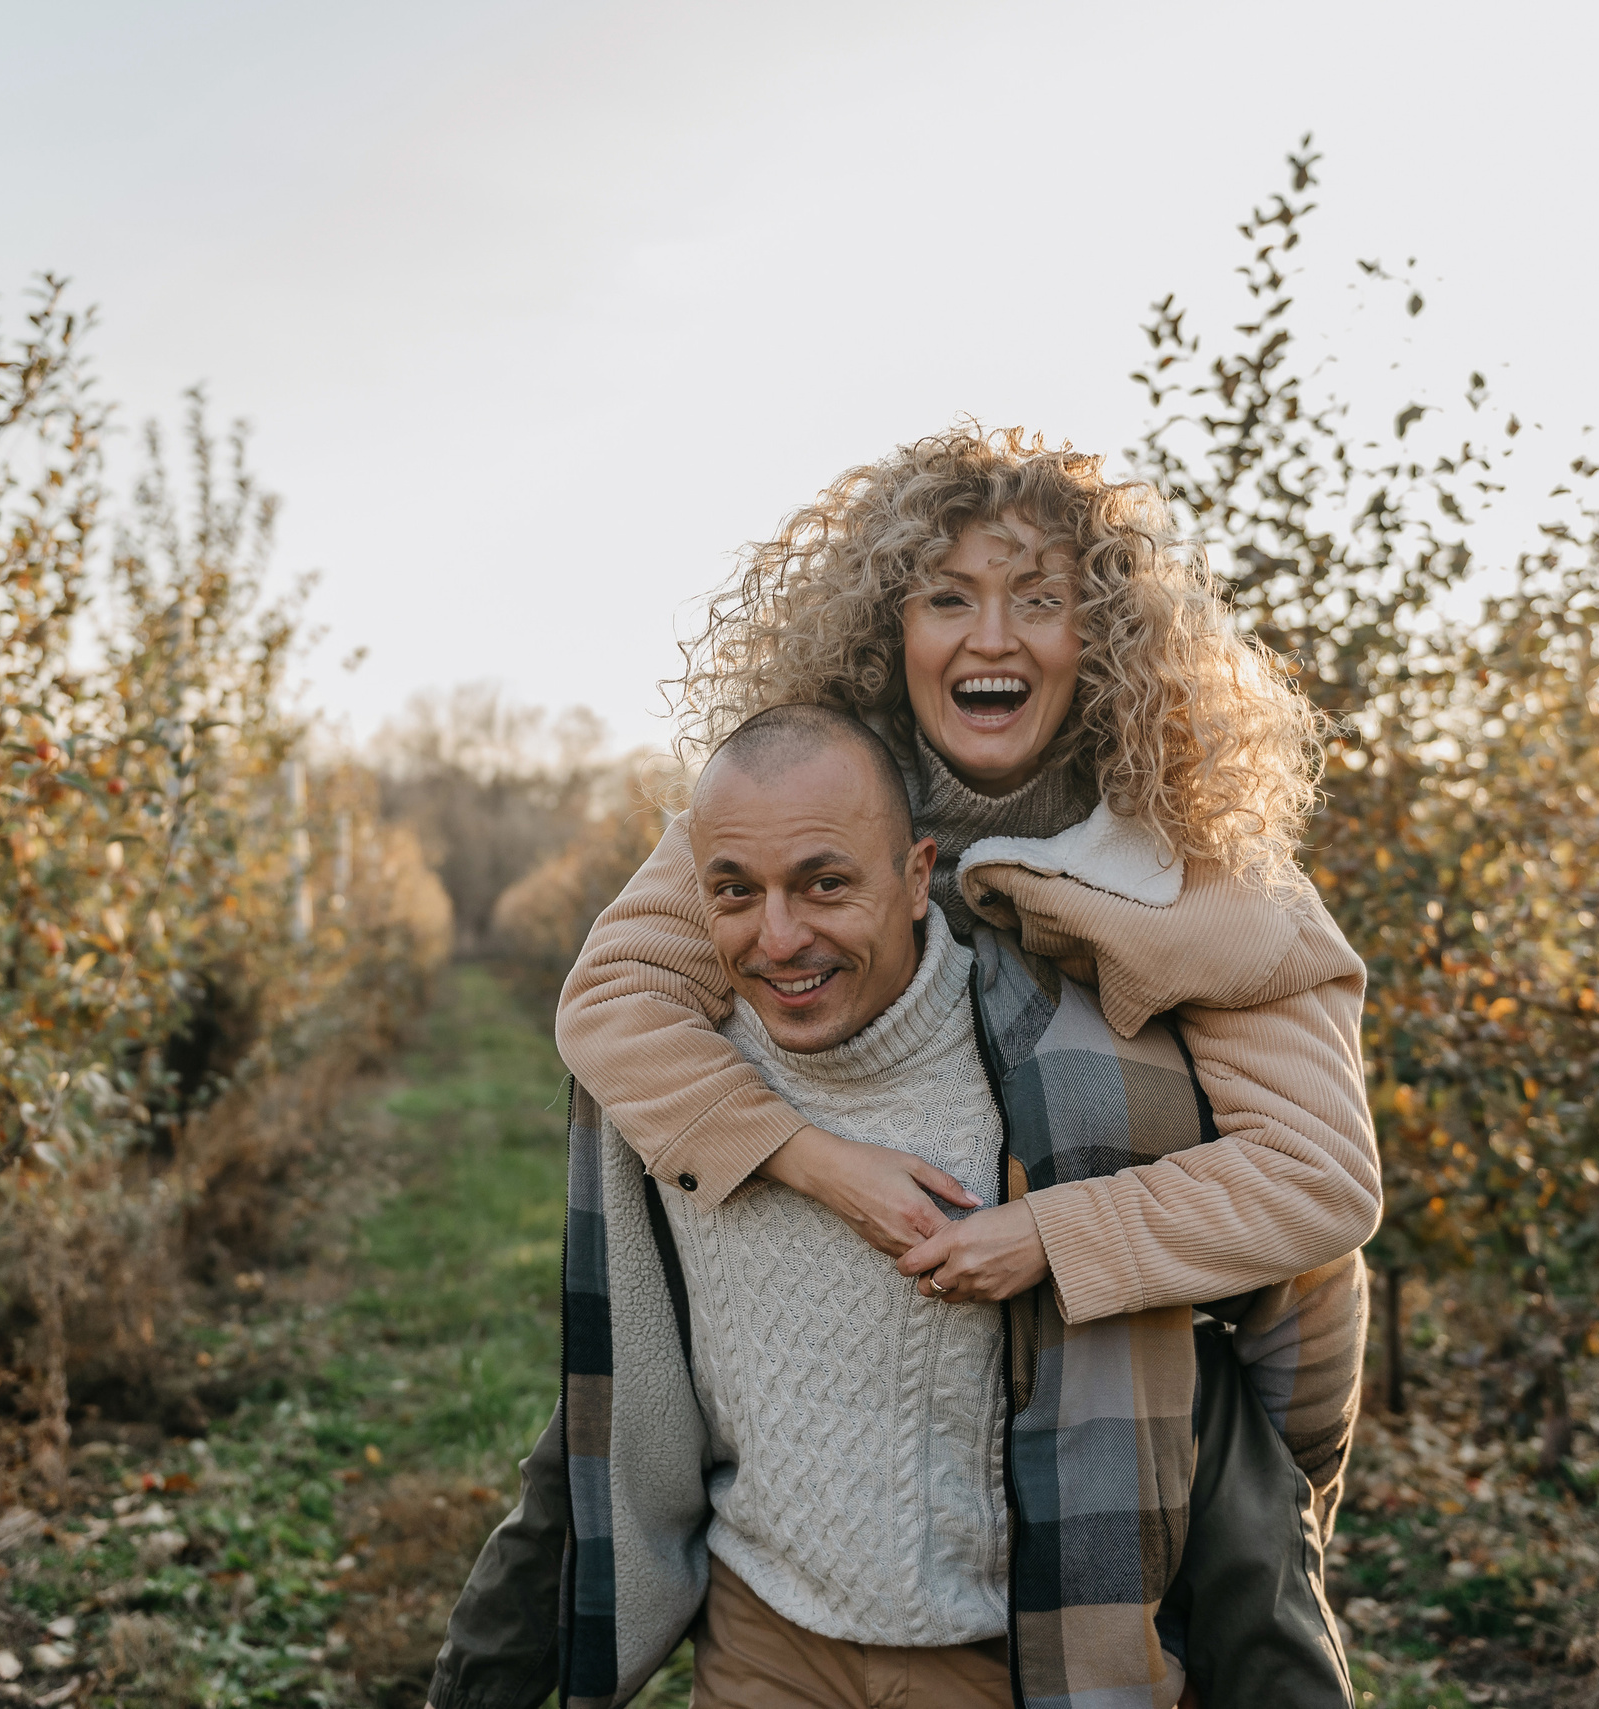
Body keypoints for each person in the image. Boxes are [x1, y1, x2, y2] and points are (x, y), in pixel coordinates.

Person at [428, 705, 1351, 1709]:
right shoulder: (681, 1095)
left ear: (917, 878)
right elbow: (619, 1389)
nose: (779, 937)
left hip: (1015, 1663)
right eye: (735, 891)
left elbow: (1296, 1310)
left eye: (826, 883)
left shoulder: (1070, 1094)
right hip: (760, 1647)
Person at [558, 428, 1377, 1526]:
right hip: (831, 1423)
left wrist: (1049, 1233)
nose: (991, 636)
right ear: (888, 629)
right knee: (557, 1504)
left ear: (1102, 636)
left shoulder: (1201, 867)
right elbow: (615, 1000)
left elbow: (1318, 1175)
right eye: (946, 598)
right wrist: (815, 1159)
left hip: (1111, 1446)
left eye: (1039, 599)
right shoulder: (809, 803)